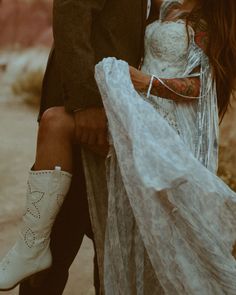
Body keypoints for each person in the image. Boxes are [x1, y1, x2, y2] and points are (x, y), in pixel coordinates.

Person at [0, 0, 150, 294]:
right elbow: (71, 12)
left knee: (112, 253)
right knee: (53, 245)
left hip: (123, 122)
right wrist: (86, 102)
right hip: (83, 115)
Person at [93, 0, 236, 293]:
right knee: (138, 219)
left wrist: (144, 81)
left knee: (173, 224)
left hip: (174, 127)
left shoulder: (211, 17)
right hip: (138, 119)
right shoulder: (166, 4)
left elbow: (202, 87)